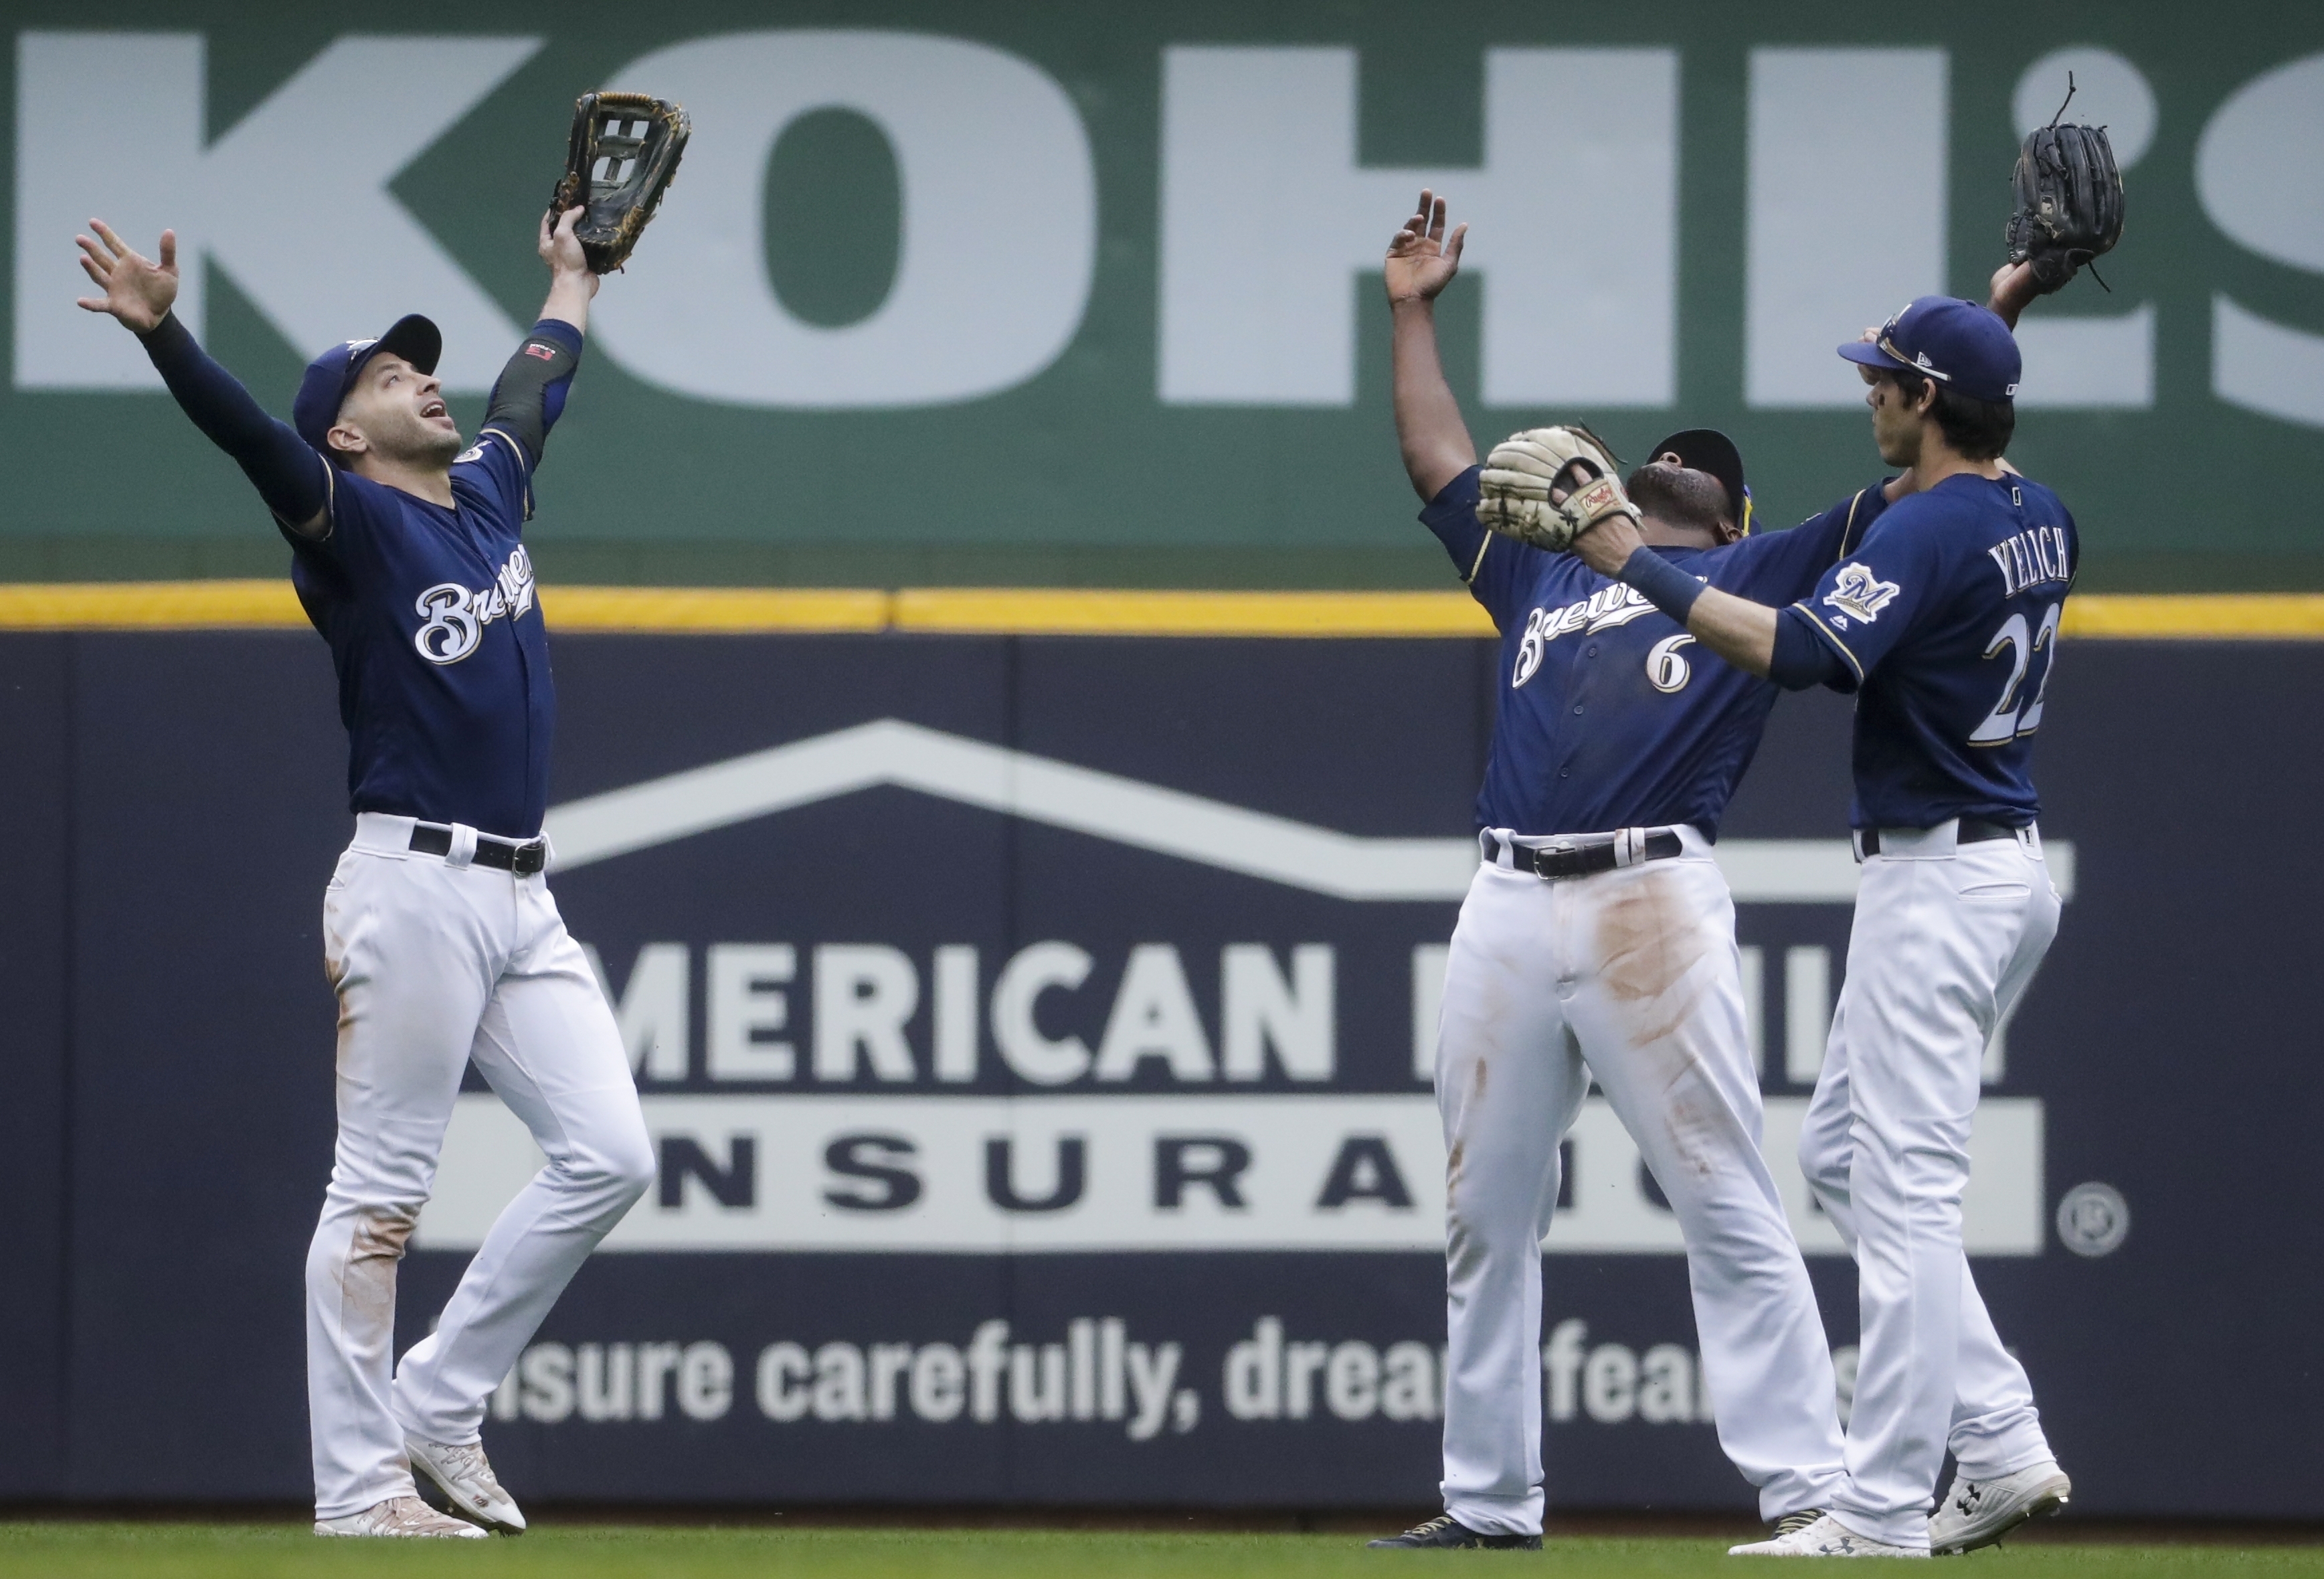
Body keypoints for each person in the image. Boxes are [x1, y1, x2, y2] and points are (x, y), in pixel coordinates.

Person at [74, 210, 654, 1539]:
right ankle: (359, 1494)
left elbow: (533, 384)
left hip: (522, 895)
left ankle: (441, 1400)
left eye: (417, 367)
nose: (421, 380)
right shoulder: (345, 524)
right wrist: (165, 333)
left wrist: (570, 274)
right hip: (412, 888)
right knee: (381, 1198)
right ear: (345, 431)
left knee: (611, 1156)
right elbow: (247, 437)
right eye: (389, 378)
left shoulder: (491, 492)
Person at [1364, 190, 1911, 1551]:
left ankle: (1813, 1490)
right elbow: (1439, 461)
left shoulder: (1758, 572)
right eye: (1659, 460)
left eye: (1697, 468)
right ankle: (1490, 1503)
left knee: (1722, 1191)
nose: (1672, 469)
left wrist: (1991, 330)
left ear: (1735, 510)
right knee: (1484, 1211)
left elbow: (1913, 488)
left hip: (1647, 901)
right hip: (1503, 896)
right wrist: (1414, 312)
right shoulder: (1544, 578)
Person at [1569, 280, 2074, 1557]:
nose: (1867, 393)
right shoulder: (2034, 508)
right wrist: (1997, 303)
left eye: (1884, 379)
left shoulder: (1921, 534)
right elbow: (1947, 481)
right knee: (1844, 1158)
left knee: (1901, 1196)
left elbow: (1797, 652)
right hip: (2003, 863)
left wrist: (1632, 564)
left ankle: (1881, 1508)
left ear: (1927, 403)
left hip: (1939, 879)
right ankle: (2002, 1442)